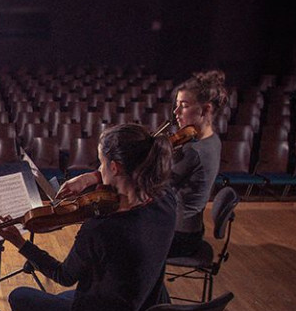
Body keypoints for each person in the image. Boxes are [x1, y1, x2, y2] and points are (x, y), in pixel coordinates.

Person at [0, 123, 177, 311]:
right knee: (88, 290)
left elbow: (62, 275)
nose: (98, 170)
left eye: (100, 163)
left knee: (20, 298)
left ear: (114, 167)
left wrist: (20, 242)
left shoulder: (101, 229)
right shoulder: (166, 201)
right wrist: (89, 178)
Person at [58, 70, 227, 257]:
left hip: (177, 235)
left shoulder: (193, 152)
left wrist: (91, 181)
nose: (176, 113)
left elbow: (143, 180)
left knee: (105, 238)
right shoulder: (212, 140)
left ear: (206, 109)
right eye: (176, 106)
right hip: (189, 228)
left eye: (184, 106)